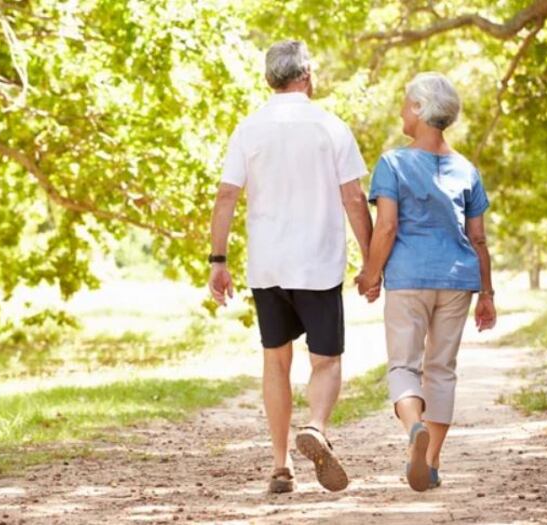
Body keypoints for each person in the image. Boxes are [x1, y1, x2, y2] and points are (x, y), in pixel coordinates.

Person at [208, 40, 373, 494]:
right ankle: (316, 427)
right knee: (327, 360)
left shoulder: (249, 128)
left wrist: (217, 261)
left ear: (269, 79)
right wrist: (372, 260)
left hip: (268, 264)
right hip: (318, 263)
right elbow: (354, 198)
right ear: (307, 75)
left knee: (275, 361)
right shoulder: (330, 126)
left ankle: (281, 466)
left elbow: (226, 195)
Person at [357, 72, 497, 492]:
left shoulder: (393, 163)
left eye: (405, 103)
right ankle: (431, 461)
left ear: (419, 109)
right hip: (457, 281)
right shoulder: (467, 169)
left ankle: (414, 427)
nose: (401, 110)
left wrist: (370, 274)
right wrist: (487, 294)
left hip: (409, 279)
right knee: (441, 370)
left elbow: (386, 228)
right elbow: (478, 238)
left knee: (404, 364)